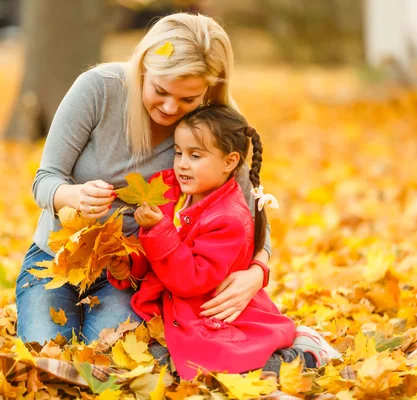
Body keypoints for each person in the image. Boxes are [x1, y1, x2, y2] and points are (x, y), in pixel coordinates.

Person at [15, 13, 340, 365]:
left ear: (209, 90)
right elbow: (44, 180)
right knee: (46, 358)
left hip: (132, 277)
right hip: (57, 259)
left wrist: (257, 271)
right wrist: (74, 196)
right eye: (160, 91)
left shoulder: (211, 124)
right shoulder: (99, 89)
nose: (171, 108)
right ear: (143, 67)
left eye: (187, 99)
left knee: (107, 361)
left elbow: (251, 210)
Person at [110, 106, 340, 379]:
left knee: (217, 367)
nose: (182, 163)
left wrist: (158, 229)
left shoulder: (227, 219)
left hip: (207, 311)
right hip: (170, 311)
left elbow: (191, 279)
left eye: (195, 156)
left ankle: (302, 355)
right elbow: (152, 252)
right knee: (148, 359)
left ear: (229, 162)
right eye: (178, 153)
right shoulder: (169, 190)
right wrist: (130, 264)